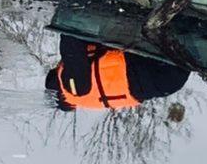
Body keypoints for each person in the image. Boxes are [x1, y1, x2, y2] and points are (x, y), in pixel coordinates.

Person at [45, 35, 188, 110]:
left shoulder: (82, 98)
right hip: (153, 74)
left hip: (163, 83)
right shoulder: (72, 87)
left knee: (186, 49)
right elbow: (71, 40)